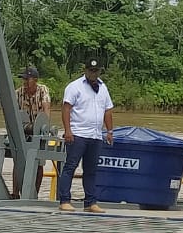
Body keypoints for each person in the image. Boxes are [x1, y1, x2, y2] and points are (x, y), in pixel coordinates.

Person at [56, 59, 115, 213]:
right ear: (85, 70)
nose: (93, 74)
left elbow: (108, 110)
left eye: (96, 71)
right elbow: (66, 108)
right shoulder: (75, 87)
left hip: (95, 135)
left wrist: (109, 131)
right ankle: (64, 200)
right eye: (91, 71)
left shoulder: (103, 88)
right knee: (70, 167)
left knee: (91, 170)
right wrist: (68, 130)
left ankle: (90, 202)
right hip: (78, 133)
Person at [11, 66, 50, 199]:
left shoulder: (42, 90)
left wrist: (45, 127)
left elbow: (46, 110)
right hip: (23, 131)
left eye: (28, 79)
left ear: (35, 80)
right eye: (24, 79)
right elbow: (13, 112)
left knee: (38, 163)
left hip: (38, 131)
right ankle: (15, 194)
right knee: (18, 161)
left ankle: (34, 195)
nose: (25, 82)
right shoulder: (18, 93)